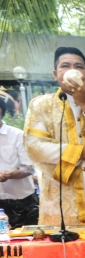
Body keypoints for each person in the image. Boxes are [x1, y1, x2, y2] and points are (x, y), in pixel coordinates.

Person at [23, 47, 85, 225]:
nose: (72, 70)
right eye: (65, 65)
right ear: (56, 74)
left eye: (78, 66)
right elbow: (34, 147)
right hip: (60, 198)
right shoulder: (40, 106)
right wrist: (83, 151)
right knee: (64, 249)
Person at [0, 98, 39, 228]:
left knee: (29, 243)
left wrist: (9, 175)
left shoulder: (17, 135)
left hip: (23, 202)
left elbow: (29, 168)